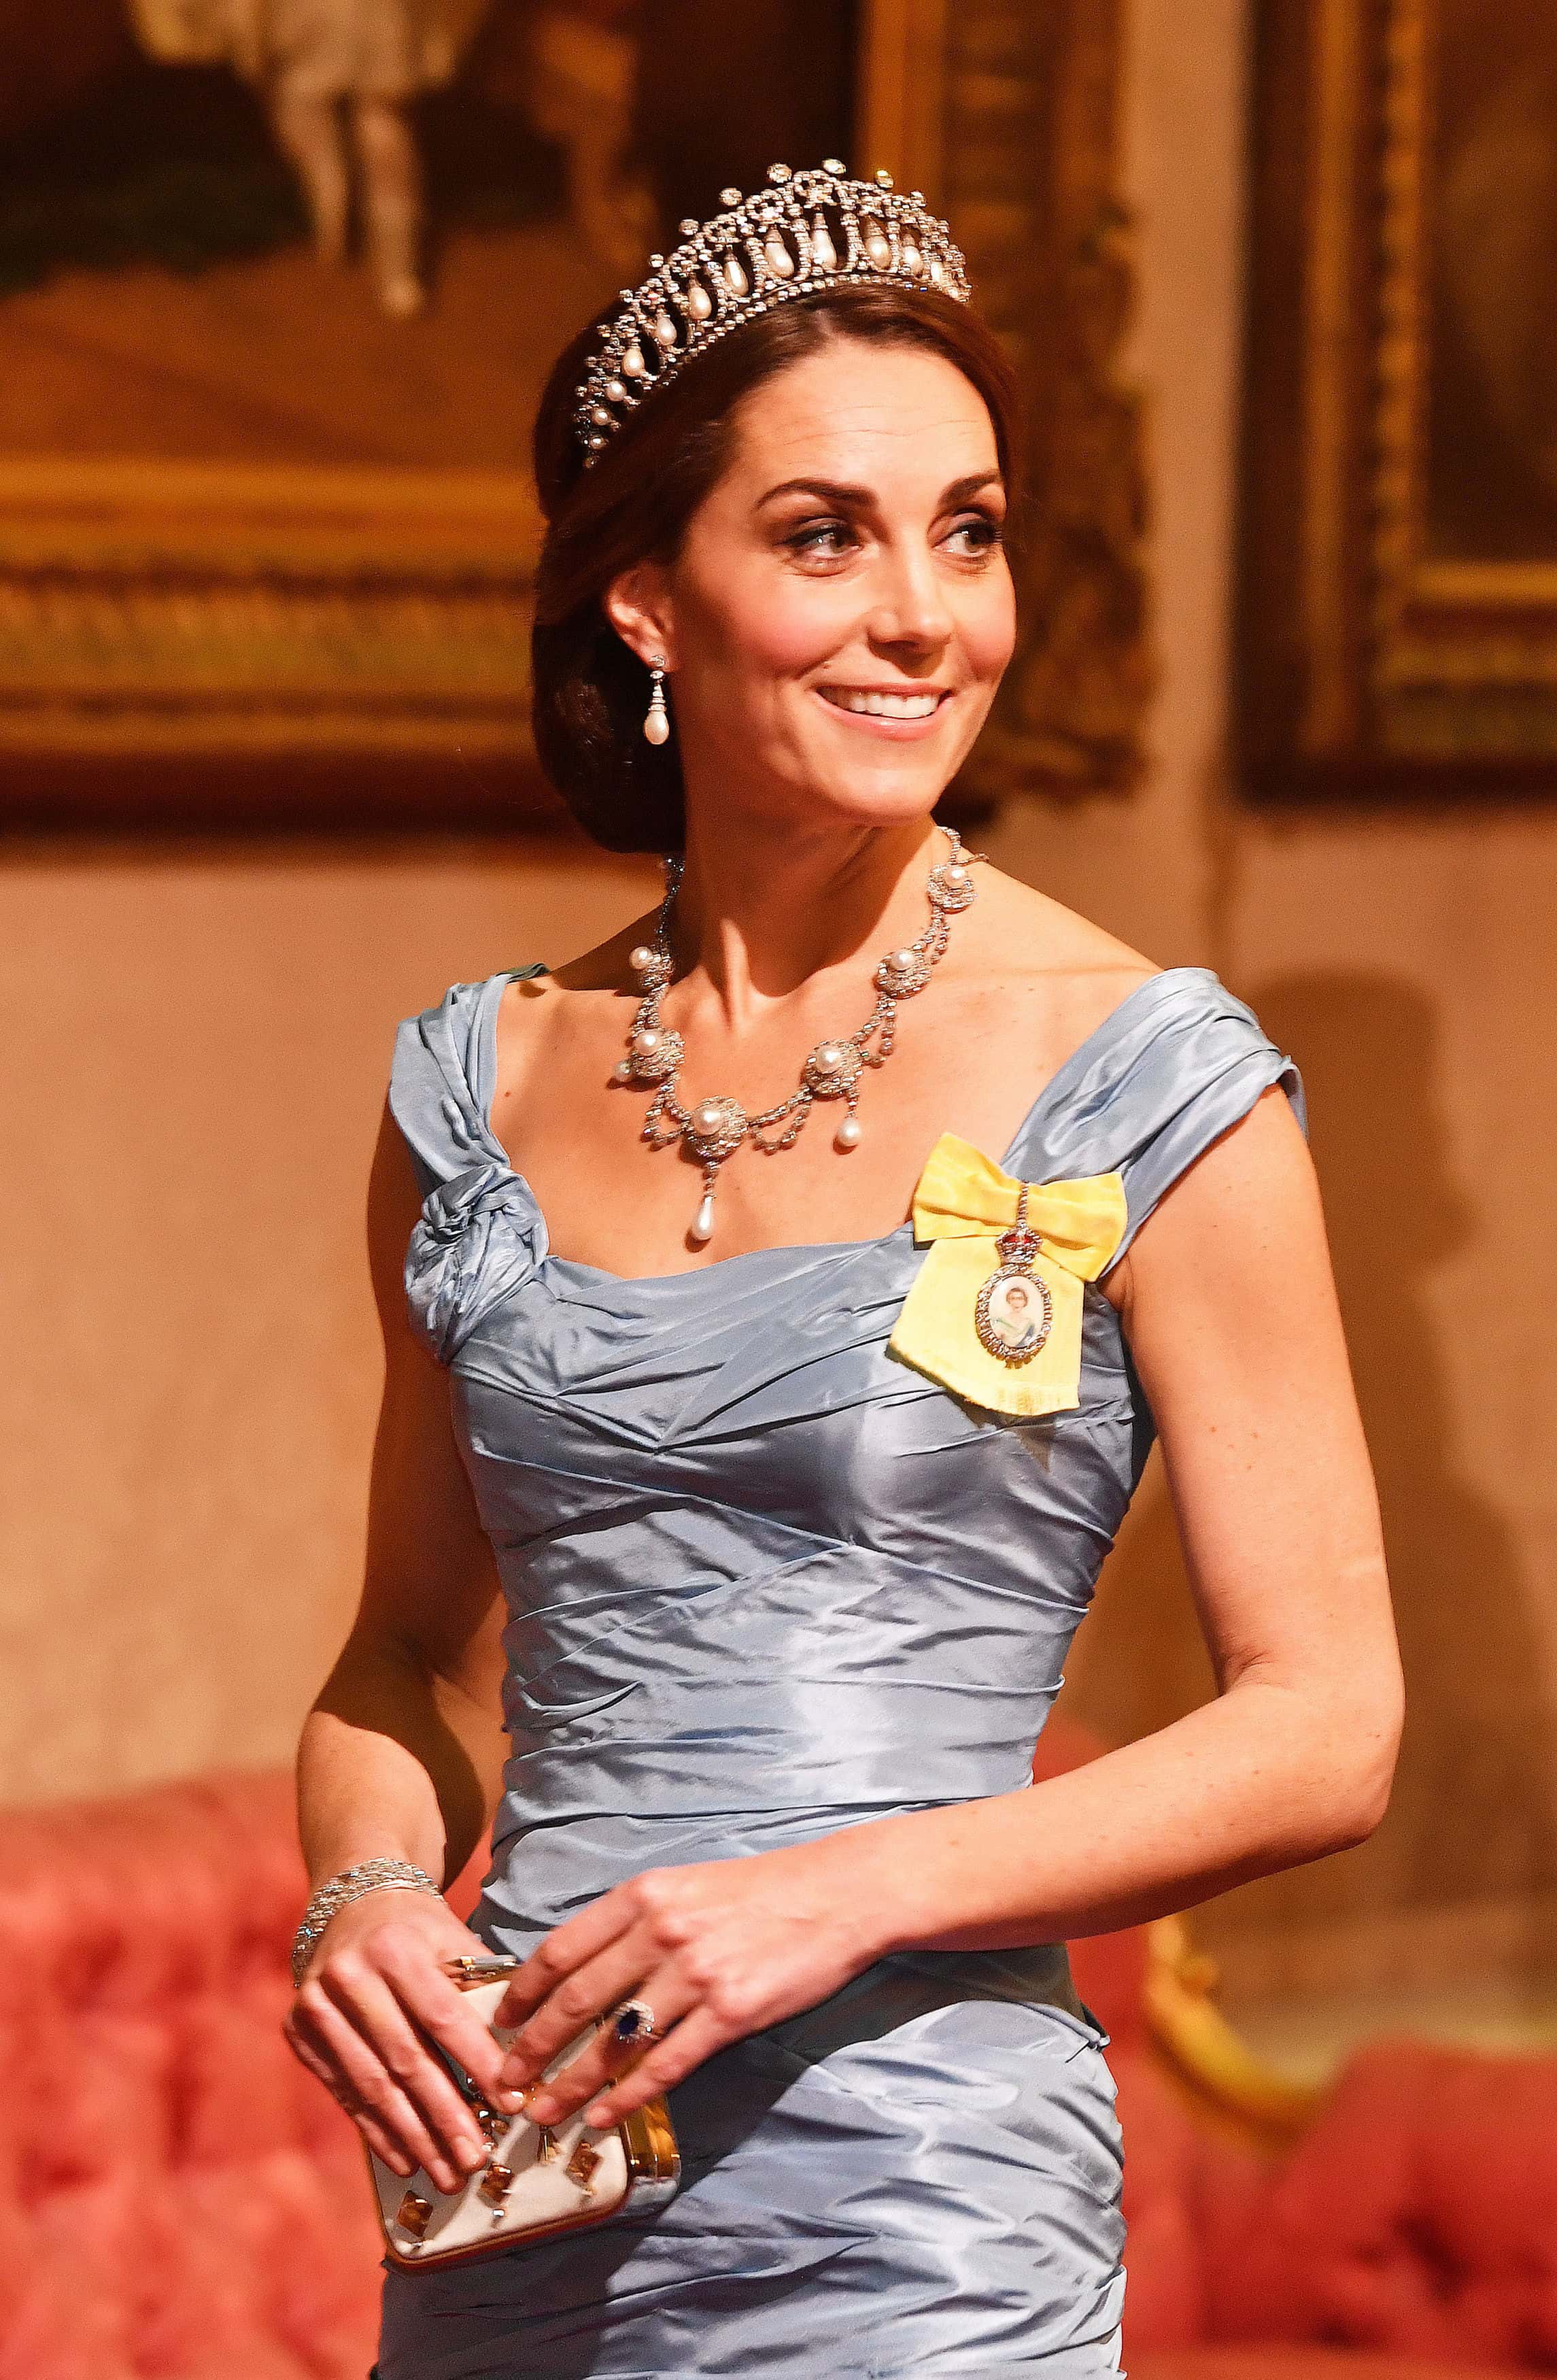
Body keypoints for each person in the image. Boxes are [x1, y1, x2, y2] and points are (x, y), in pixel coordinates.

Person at [285, 163, 1403, 2377]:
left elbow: (1328, 1724)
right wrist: (368, 1894)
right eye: (825, 536)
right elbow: (399, 1652)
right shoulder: (470, 1092)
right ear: (642, 604)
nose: (924, 616)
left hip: (913, 2217)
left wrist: (842, 1886)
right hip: (521, 2179)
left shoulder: (1147, 1077)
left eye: (966, 530)